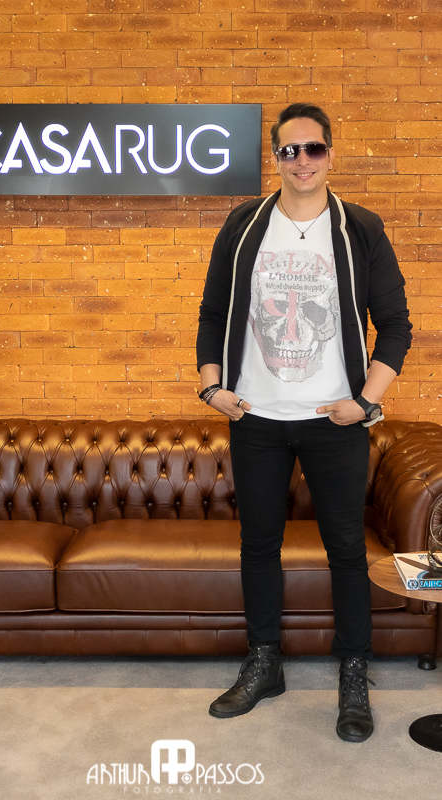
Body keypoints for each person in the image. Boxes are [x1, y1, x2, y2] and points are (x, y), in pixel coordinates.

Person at [196, 103, 412, 743]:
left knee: (346, 550)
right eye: (289, 151)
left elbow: (396, 327)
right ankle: (264, 663)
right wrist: (211, 386)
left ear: (330, 154)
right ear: (275, 157)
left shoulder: (360, 229)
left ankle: (354, 673)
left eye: (312, 148)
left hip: (334, 422)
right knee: (258, 545)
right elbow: (212, 311)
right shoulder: (243, 226)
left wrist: (366, 403)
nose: (301, 161)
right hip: (256, 417)